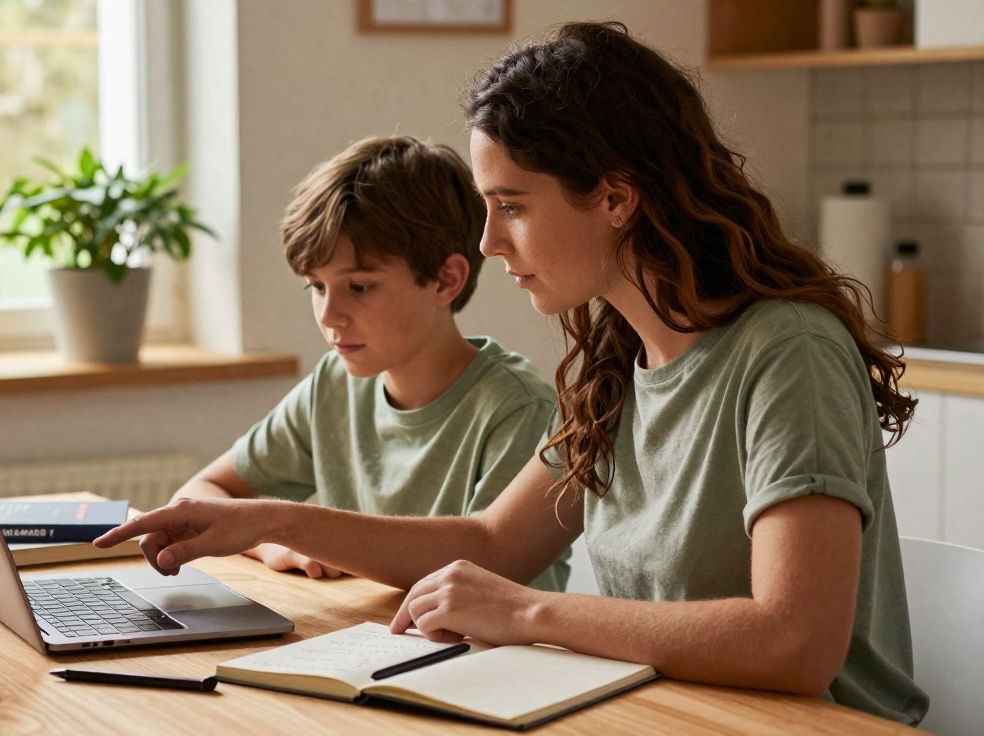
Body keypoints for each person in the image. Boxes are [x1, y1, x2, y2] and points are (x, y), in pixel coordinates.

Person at [96, 23, 928, 724]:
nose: (491, 244)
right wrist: (273, 520)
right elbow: (494, 540)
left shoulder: (787, 351)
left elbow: (795, 642)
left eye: (513, 206)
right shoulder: (621, 359)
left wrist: (529, 613)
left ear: (614, 197)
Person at [169, 135, 569, 591]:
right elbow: (200, 494)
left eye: (359, 287)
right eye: (316, 287)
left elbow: (487, 565)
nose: (329, 315)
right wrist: (272, 542)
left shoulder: (516, 406)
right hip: (363, 637)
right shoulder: (334, 384)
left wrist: (280, 523)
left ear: (446, 279)